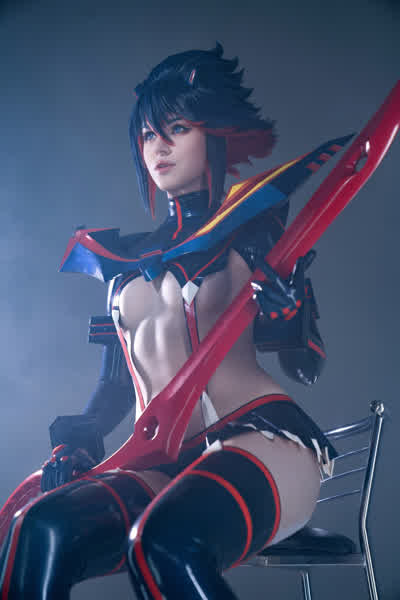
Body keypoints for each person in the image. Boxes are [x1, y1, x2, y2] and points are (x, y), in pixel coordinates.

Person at [0, 44, 337, 600]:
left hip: (260, 441)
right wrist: (78, 444)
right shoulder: (122, 261)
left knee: (163, 543)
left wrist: (288, 307)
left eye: (177, 129)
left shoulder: (254, 229)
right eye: (147, 135)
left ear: (215, 134)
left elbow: (307, 366)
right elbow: (115, 387)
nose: (158, 147)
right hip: (158, 459)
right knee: (38, 530)